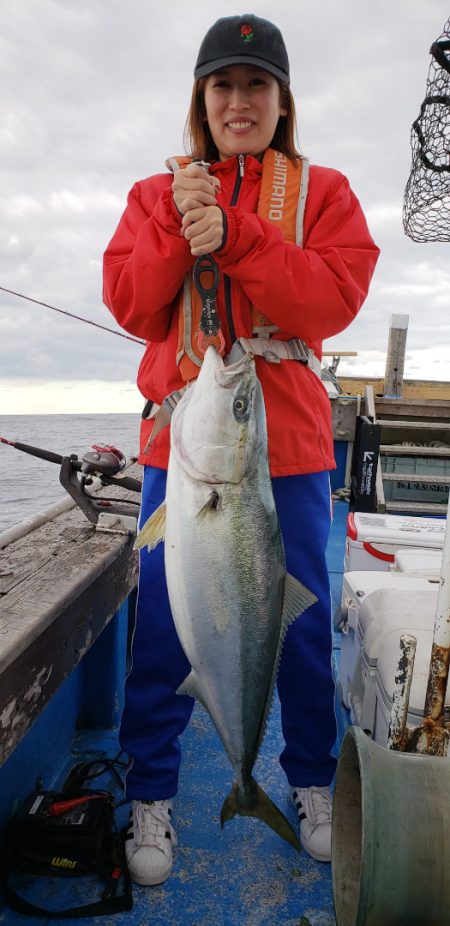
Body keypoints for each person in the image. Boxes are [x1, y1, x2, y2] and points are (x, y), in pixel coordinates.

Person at [103, 13, 379, 886]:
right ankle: (151, 794)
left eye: (256, 86)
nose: (238, 100)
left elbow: (330, 302)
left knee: (296, 627)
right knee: (161, 630)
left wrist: (240, 232)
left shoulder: (323, 191)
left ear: (282, 100)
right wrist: (182, 227)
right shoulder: (157, 193)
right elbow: (132, 304)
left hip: (285, 442)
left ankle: (305, 782)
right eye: (221, 85)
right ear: (201, 99)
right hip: (178, 446)